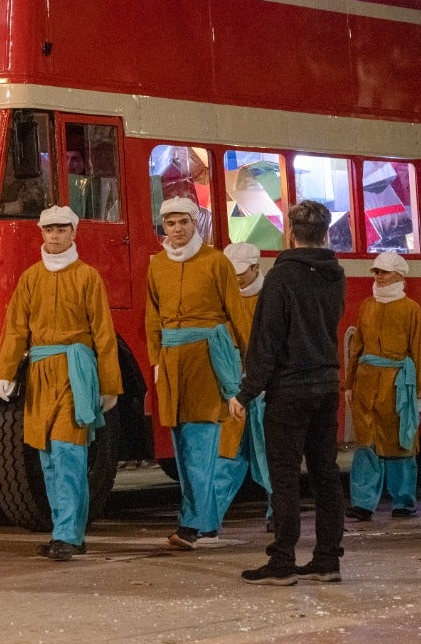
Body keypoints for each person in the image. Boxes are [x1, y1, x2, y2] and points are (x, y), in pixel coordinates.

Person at [0, 206, 121, 560]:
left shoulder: (87, 277)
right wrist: (4, 372)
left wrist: (109, 383)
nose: (55, 235)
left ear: (73, 233)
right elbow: (15, 326)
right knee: (47, 457)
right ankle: (67, 532)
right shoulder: (30, 278)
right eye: (49, 229)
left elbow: (104, 333)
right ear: (42, 233)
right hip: (40, 374)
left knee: (69, 453)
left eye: (62, 229)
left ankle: (68, 533)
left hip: (75, 372)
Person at [229, 199, 346, 585]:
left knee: (284, 476)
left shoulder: (281, 278)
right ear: (326, 232)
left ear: (290, 233)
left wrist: (245, 393)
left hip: (290, 388)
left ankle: (282, 561)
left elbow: (267, 341)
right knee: (326, 474)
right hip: (327, 384)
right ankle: (327, 559)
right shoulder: (336, 274)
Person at [145, 197, 250, 551]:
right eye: (170, 224)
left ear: (195, 224)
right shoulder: (157, 265)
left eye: (183, 223)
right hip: (173, 362)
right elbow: (152, 318)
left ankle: (192, 524)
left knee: (202, 444)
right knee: (181, 446)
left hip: (207, 357)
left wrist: (250, 365)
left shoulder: (216, 261)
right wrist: (157, 361)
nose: (177, 229)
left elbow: (236, 312)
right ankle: (204, 523)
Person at [343, 250, 421, 522]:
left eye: (384, 272)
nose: (378, 277)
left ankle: (403, 500)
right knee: (366, 442)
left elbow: (418, 351)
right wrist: (349, 384)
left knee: (400, 442)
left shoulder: (411, 309)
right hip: (367, 383)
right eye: (376, 272)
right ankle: (363, 502)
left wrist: (420, 393)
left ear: (399, 275)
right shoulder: (367, 305)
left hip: (397, 385)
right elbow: (357, 347)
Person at [215, 242, 270, 529]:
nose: (235, 279)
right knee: (228, 451)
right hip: (235, 386)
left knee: (270, 451)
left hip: (262, 386)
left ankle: (279, 513)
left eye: (240, 273)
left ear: (256, 268)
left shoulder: (270, 298)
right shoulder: (223, 299)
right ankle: (209, 517)